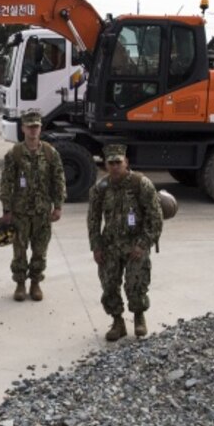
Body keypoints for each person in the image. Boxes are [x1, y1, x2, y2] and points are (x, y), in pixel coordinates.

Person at [87, 144, 163, 342]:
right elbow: (93, 219)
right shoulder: (100, 189)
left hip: (135, 244)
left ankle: (139, 317)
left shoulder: (141, 184)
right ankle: (117, 322)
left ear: (126, 162)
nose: (114, 167)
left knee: (136, 284)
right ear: (105, 165)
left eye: (118, 162)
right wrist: (96, 246)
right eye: (110, 163)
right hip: (110, 245)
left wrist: (143, 244)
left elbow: (155, 217)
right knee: (109, 286)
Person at [0, 110, 65, 302]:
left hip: (42, 212)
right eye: (29, 126)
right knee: (19, 251)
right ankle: (20, 284)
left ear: (40, 128)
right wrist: (6, 210)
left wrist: (58, 206)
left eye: (36, 126)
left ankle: (35, 283)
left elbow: (58, 180)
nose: (33, 130)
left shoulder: (50, 153)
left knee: (40, 251)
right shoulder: (15, 153)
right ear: (23, 129)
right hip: (20, 212)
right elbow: (6, 182)